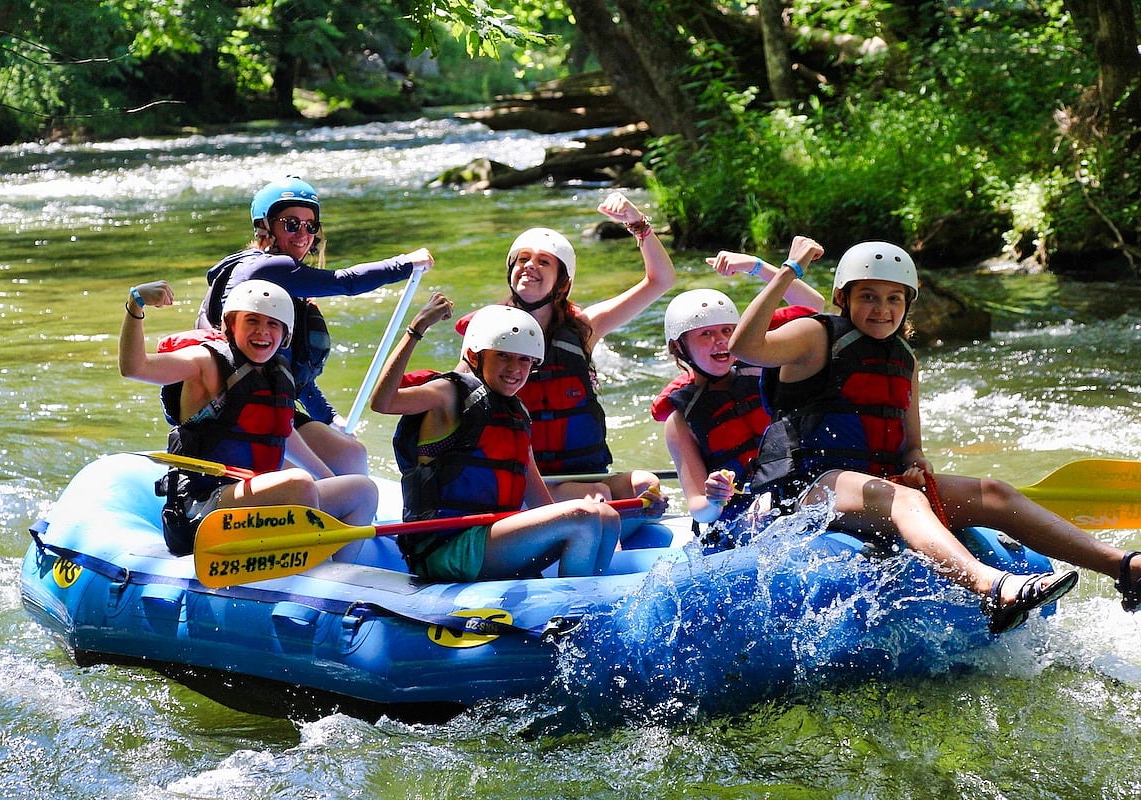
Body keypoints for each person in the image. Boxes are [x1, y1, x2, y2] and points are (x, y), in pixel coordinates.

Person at [727, 239, 1141, 633]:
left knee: (994, 491)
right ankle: (991, 587)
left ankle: (1123, 567)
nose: (881, 309)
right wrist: (790, 269)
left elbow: (911, 446)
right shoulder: (816, 335)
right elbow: (744, 346)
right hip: (807, 486)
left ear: (907, 303)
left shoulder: (905, 359)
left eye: (894, 298)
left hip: (874, 487)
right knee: (905, 499)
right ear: (843, 299)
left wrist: (915, 464)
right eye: (868, 296)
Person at [120, 278, 379, 556]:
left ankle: (334, 578)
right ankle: (300, 570)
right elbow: (135, 367)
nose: (262, 332)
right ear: (231, 325)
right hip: (201, 509)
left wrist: (328, 479)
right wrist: (136, 304)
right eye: (252, 321)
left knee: (362, 490)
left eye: (272, 324)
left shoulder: (277, 372)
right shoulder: (204, 362)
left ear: (285, 334)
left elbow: (284, 434)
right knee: (298, 484)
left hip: (253, 502)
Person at [459, 191, 677, 520]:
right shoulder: (486, 331)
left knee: (646, 484)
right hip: (521, 481)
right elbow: (454, 395)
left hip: (585, 471)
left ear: (562, 282)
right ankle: (598, 541)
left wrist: (638, 224)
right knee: (597, 496)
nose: (529, 266)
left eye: (543, 261)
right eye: (523, 259)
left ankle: (602, 525)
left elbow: (661, 280)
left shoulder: (583, 330)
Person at [198, 176, 435, 478]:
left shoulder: (283, 288)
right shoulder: (266, 269)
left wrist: (330, 418)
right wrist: (404, 264)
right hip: (234, 413)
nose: (303, 234)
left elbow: (294, 375)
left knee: (352, 452)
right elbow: (345, 282)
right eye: (291, 224)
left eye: (311, 226)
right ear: (265, 227)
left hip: (265, 403)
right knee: (347, 463)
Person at [370, 298, 622, 582]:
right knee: (583, 515)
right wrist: (416, 330)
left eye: (524, 359)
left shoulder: (517, 415)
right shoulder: (448, 393)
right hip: (446, 546)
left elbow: (541, 504)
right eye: (503, 355)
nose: (515, 368)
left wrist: (593, 511)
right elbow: (383, 401)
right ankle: (571, 614)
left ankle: (590, 604)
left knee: (607, 517)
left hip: (494, 540)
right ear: (476, 357)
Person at [655, 243, 825, 552]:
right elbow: (698, 508)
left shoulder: (765, 365)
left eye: (726, 330)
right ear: (679, 348)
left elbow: (814, 308)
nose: (720, 341)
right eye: (705, 334)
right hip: (742, 517)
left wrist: (756, 266)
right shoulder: (680, 420)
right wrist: (714, 497)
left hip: (793, 491)